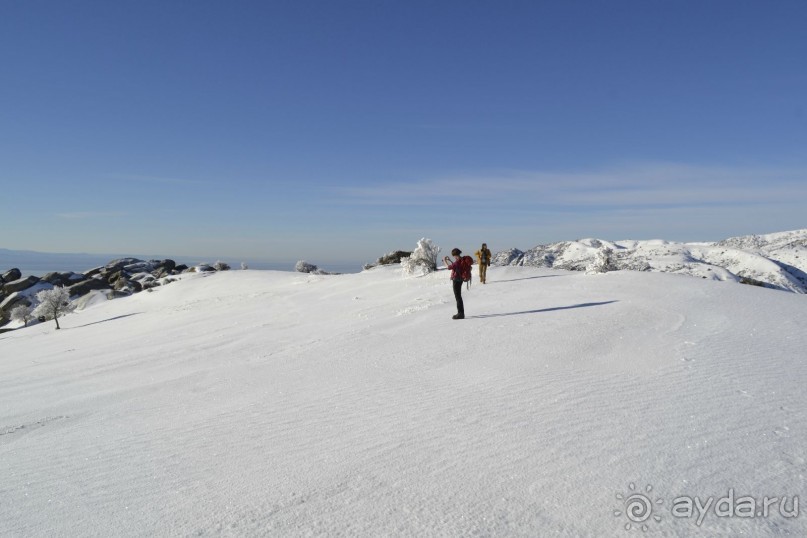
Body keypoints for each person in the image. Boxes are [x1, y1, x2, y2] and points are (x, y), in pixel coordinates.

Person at [444, 248, 465, 319]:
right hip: (461, 279)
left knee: (458, 297)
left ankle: (460, 313)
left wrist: (444, 261)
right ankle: (461, 312)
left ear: (455, 255)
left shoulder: (457, 262)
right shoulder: (462, 260)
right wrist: (449, 260)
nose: (454, 257)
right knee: (459, 296)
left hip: (456, 280)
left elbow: (449, 267)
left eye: (454, 255)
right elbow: (455, 266)